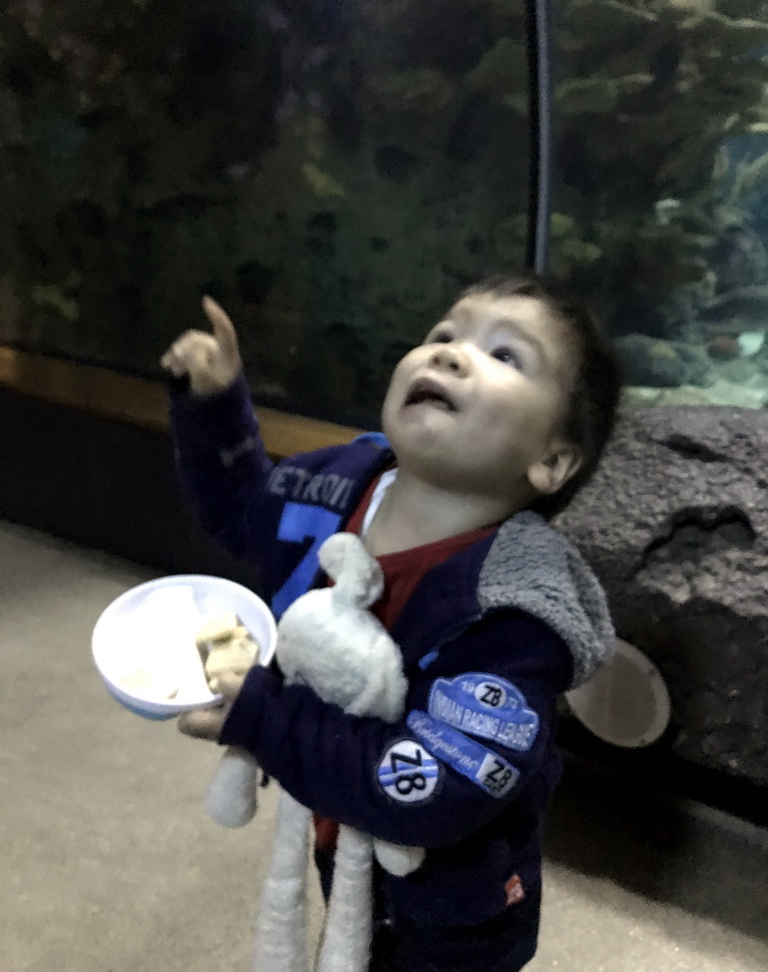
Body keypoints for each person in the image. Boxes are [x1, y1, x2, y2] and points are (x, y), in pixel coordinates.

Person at [161, 272, 623, 972]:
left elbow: (431, 790)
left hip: (449, 906)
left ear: (552, 459)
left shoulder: (518, 614)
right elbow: (247, 511)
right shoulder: (345, 478)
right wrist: (214, 406)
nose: (450, 353)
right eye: (444, 334)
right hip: (337, 824)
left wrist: (266, 721)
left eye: (506, 356)